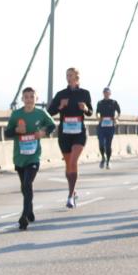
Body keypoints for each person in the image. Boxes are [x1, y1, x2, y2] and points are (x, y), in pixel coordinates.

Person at [5, 87, 55, 230]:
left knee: (27, 184)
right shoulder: (16, 114)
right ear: (22, 99)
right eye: (26, 97)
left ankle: (24, 216)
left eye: (31, 97)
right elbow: (7, 132)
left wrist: (44, 132)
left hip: (34, 156)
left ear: (36, 99)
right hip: (20, 157)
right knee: (24, 186)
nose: (29, 99)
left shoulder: (41, 113)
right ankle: (30, 209)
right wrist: (16, 130)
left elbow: (52, 125)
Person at [47, 67, 93, 208]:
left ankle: (70, 196)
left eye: (71, 75)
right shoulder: (61, 94)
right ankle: (72, 189)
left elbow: (90, 112)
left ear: (77, 77)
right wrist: (60, 106)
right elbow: (50, 112)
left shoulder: (85, 93)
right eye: (67, 75)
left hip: (79, 132)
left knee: (73, 161)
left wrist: (85, 109)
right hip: (64, 133)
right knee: (68, 165)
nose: (68, 77)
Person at [95, 87, 120, 169]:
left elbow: (118, 112)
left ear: (110, 93)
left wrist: (115, 118)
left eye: (107, 92)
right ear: (103, 93)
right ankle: (103, 157)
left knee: (108, 145)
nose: (106, 94)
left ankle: (108, 161)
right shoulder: (100, 103)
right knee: (101, 144)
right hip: (101, 126)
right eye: (105, 92)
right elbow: (97, 113)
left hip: (110, 126)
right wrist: (99, 117)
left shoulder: (113, 102)